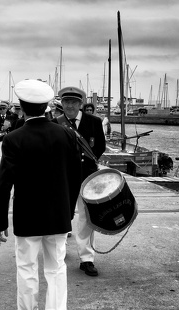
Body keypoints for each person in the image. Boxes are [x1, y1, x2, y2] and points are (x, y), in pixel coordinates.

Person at [0, 79, 81, 310]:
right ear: (47, 106)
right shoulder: (65, 134)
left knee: (27, 268)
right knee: (56, 269)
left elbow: (4, 184)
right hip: (58, 215)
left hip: (28, 215)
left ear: (21, 106)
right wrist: (69, 210)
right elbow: (76, 176)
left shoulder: (13, 139)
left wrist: (1, 221)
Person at [53, 87, 106, 276]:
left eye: (74, 102)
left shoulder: (94, 122)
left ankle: (86, 259)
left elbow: (100, 146)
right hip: (64, 177)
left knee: (86, 218)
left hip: (87, 175)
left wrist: (88, 163)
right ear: (62, 103)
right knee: (62, 216)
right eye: (66, 102)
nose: (69, 106)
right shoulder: (55, 123)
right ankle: (58, 254)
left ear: (80, 104)